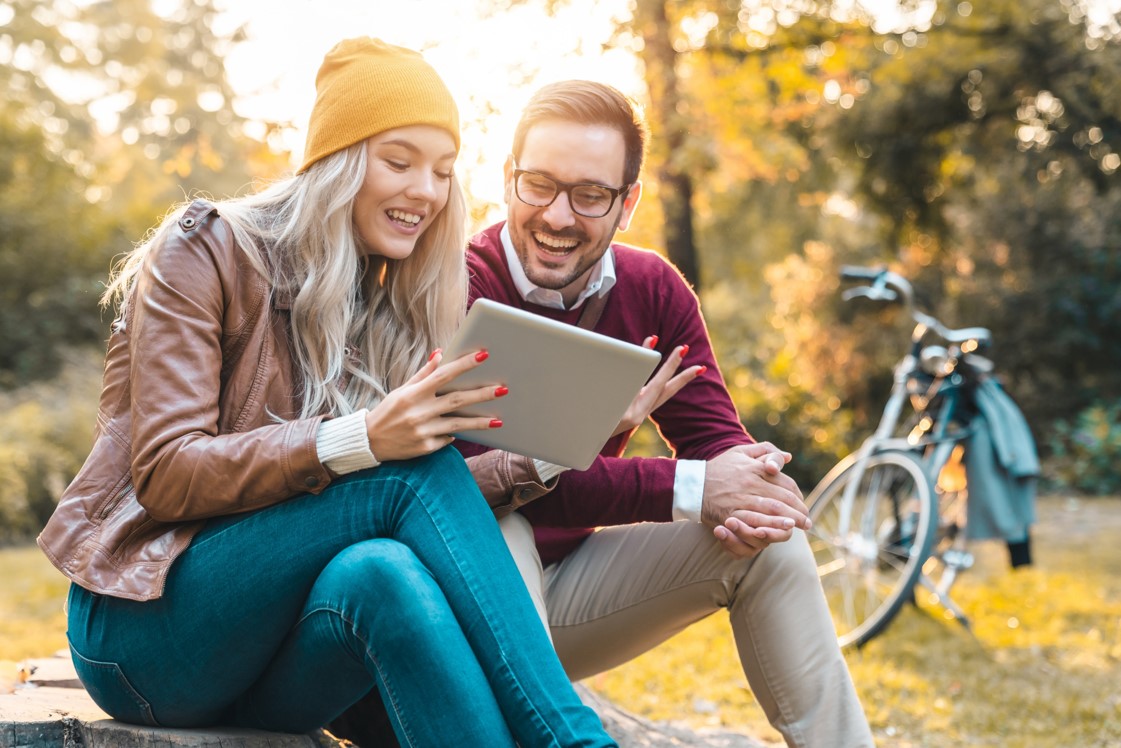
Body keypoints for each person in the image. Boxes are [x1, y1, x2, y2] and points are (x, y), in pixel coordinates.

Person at [36, 39, 617, 748]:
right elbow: (166, 474)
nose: (425, 192)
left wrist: (564, 444)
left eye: (441, 172)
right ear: (336, 161)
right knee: (402, 471)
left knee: (382, 572)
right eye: (398, 161)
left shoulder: (381, 299)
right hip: (143, 634)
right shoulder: (205, 251)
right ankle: (575, 739)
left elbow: (425, 508)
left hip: (271, 655)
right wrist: (361, 440)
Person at [458, 80, 877, 747]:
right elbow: (465, 479)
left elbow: (714, 443)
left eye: (590, 194)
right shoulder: (460, 284)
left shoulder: (652, 290)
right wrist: (691, 487)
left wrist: (753, 490)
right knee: (501, 523)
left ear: (628, 204)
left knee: (771, 541)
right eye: (538, 184)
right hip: (462, 603)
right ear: (507, 180)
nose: (559, 216)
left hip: (572, 590)